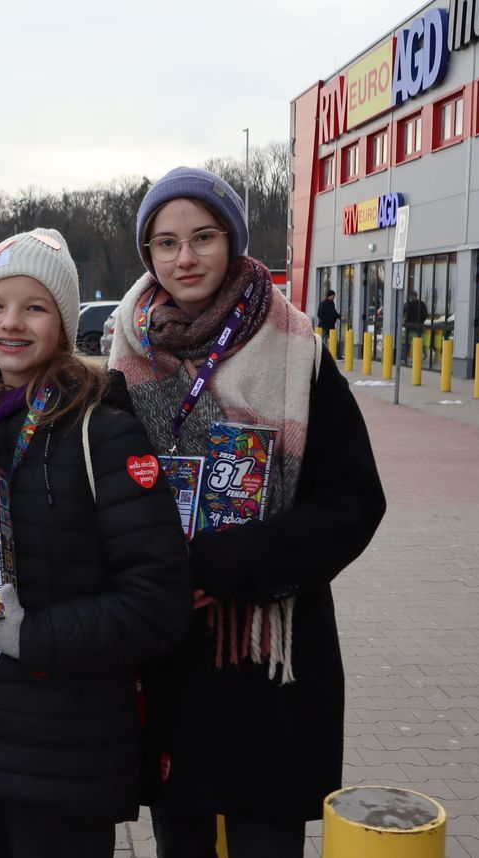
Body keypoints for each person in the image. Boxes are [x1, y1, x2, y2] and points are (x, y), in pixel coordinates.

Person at [108, 167, 386, 858]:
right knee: (183, 835)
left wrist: (234, 561)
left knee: (265, 837)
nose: (185, 258)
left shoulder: (295, 352)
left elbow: (354, 500)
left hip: (267, 655)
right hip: (168, 642)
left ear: (231, 240)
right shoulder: (125, 356)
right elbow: (102, 494)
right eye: (166, 243)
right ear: (148, 254)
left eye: (203, 237)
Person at [0, 227, 192, 858]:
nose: (11, 323)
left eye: (34, 307)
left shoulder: (105, 433)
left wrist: (28, 635)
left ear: (61, 322)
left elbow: (157, 604)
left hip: (63, 758)